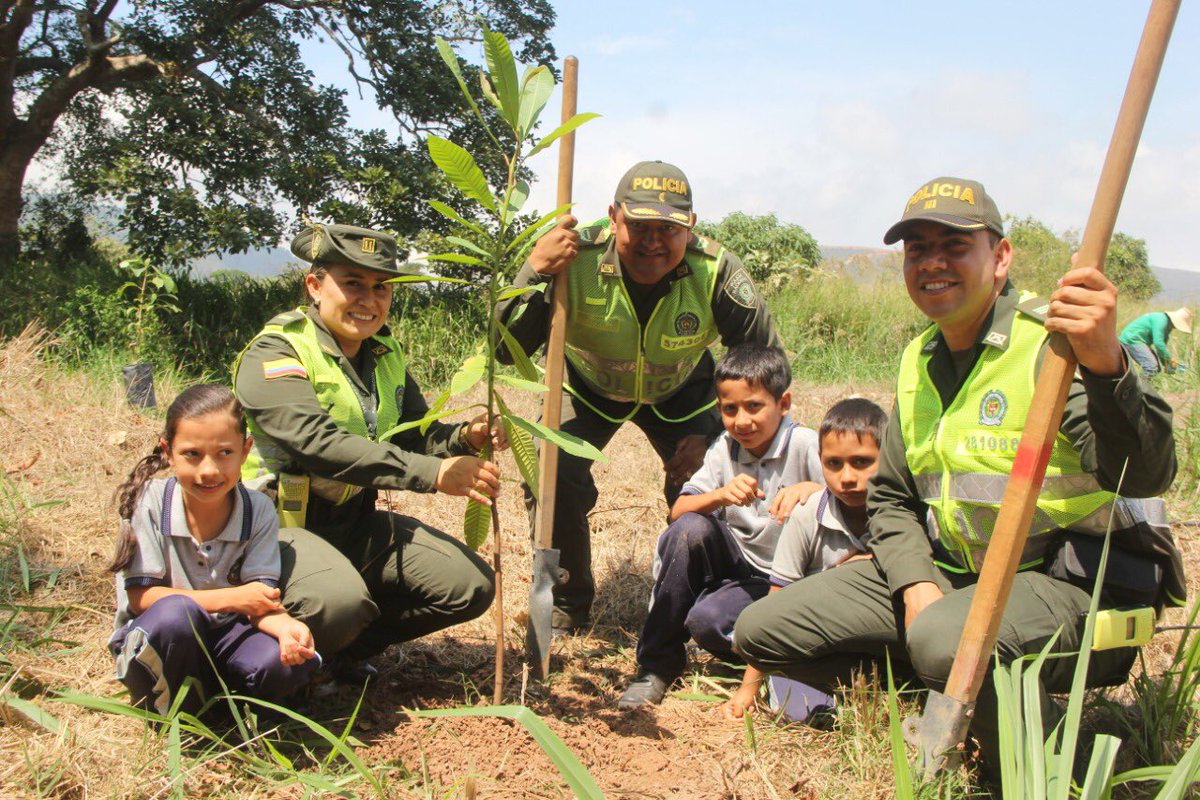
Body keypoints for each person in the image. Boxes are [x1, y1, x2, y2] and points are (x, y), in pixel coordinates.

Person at [733, 176, 1186, 767]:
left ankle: (1074, 761)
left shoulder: (1053, 346)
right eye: (918, 248)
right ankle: (947, 695)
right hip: (957, 577)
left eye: (954, 244)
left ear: (999, 257)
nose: (933, 262)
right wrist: (914, 582)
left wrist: (1106, 364)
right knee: (761, 630)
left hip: (1077, 584)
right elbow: (891, 497)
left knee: (941, 638)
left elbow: (1142, 474)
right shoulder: (919, 358)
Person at [497, 161, 783, 632]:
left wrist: (713, 425)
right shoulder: (573, 254)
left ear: (689, 228)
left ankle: (703, 597)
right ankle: (564, 601)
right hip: (587, 384)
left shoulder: (715, 269)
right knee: (551, 470)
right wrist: (533, 270)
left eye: (667, 229)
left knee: (711, 478)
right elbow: (504, 350)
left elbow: (763, 361)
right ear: (614, 217)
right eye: (639, 226)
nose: (653, 241)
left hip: (683, 389)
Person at [234, 223, 500, 677]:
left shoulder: (384, 352)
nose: (369, 300)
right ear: (315, 286)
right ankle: (264, 660)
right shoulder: (277, 351)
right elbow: (318, 445)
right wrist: (434, 475)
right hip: (274, 530)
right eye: (352, 283)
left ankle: (335, 657)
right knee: (342, 603)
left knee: (470, 586)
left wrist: (464, 438)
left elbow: (412, 437)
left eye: (381, 288)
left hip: (353, 522)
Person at [616, 344, 821, 709]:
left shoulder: (805, 445)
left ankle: (782, 656)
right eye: (730, 409)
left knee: (711, 621)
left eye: (754, 406)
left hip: (792, 581)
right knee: (689, 533)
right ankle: (656, 665)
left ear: (784, 403)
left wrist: (812, 490)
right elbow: (679, 510)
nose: (741, 420)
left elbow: (848, 497)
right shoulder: (724, 447)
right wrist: (721, 495)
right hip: (743, 569)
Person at [108, 384, 319, 716]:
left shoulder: (259, 509)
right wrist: (231, 598)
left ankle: (223, 704)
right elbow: (141, 599)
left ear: (245, 450)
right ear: (168, 450)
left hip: (224, 633)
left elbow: (258, 601)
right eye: (192, 454)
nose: (209, 470)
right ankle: (182, 717)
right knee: (177, 615)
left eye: (224, 453)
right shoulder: (149, 500)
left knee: (282, 664)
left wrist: (286, 628)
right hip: (157, 636)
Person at [721, 397, 886, 722]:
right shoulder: (807, 516)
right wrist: (748, 690)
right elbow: (776, 606)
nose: (847, 477)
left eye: (862, 462)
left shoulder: (903, 516)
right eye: (834, 464)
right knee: (805, 715)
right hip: (818, 642)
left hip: (882, 639)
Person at [1119, 306, 1193, 375]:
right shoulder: (1162, 320)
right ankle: (1137, 387)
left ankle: (1144, 386)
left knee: (1156, 370)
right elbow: (1158, 344)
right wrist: (1170, 359)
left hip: (1138, 341)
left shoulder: (1167, 325)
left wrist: (1166, 364)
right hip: (1131, 340)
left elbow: (1162, 349)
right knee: (1151, 367)